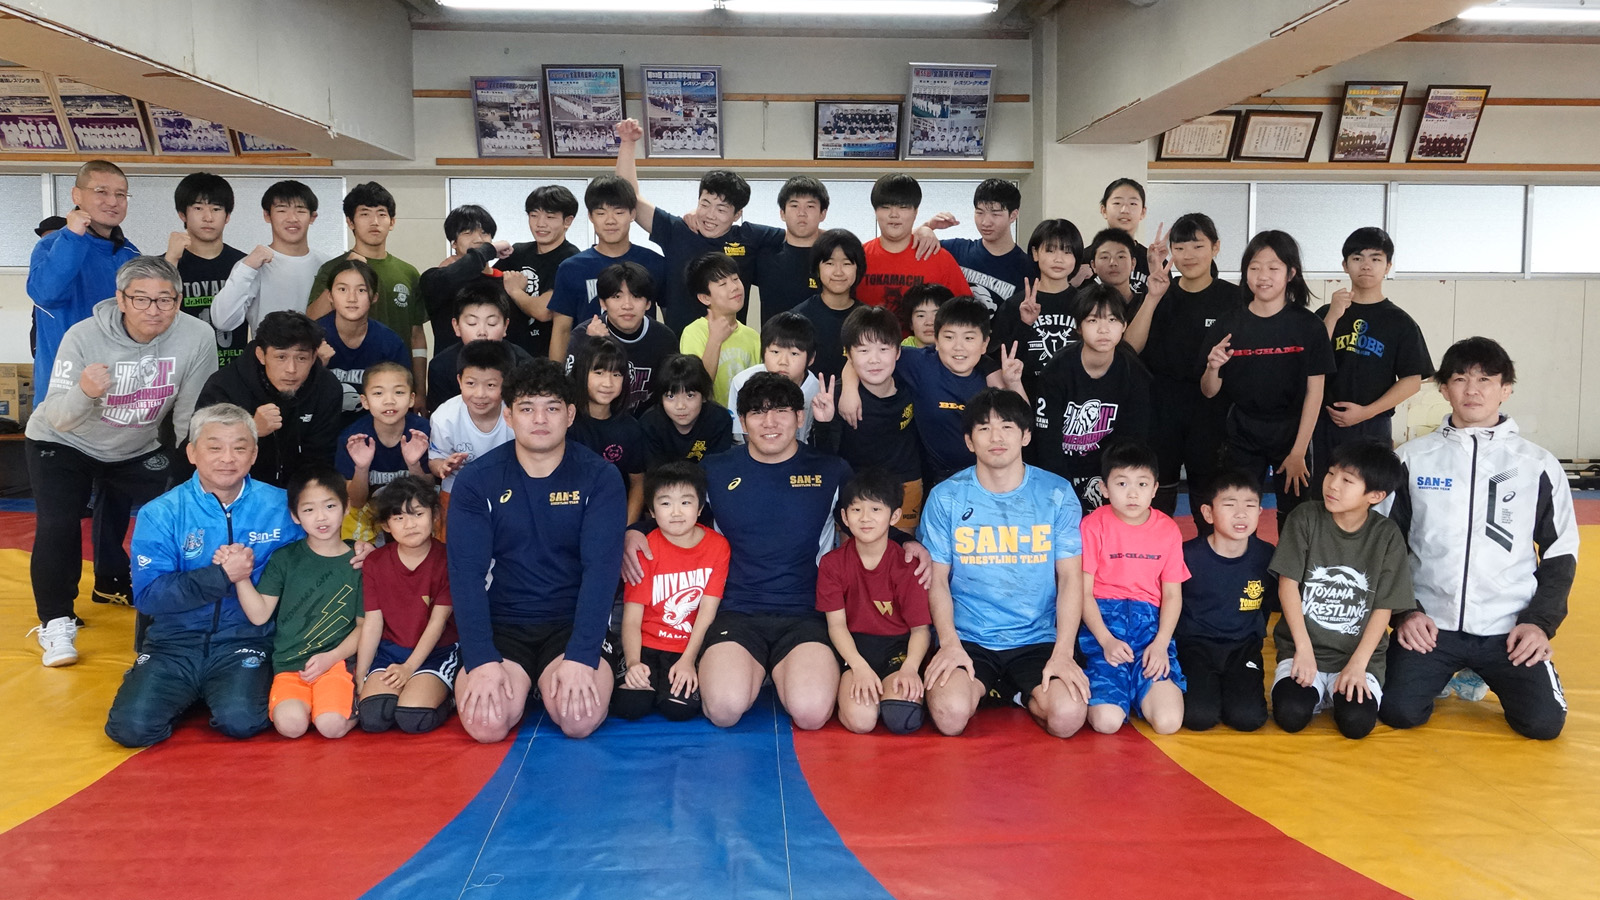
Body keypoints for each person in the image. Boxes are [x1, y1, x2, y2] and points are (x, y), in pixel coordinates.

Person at [622, 372, 879, 731]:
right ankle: (756, 671)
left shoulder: (830, 470)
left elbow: (868, 518)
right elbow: (678, 513)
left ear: (800, 417)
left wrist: (908, 542)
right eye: (757, 413)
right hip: (736, 612)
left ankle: (781, 671)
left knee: (810, 713)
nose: (769, 422)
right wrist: (635, 532)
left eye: (781, 411)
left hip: (805, 612)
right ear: (742, 422)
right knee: (724, 710)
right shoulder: (716, 470)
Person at [1378, 338, 1578, 740]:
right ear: (1443, 389)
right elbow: (1385, 544)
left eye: (1485, 379)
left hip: (1508, 628)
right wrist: (1405, 613)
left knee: (1543, 724)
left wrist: (1538, 624)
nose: (1472, 390)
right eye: (1459, 379)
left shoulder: (1537, 464)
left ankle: (1481, 670)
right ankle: (1448, 670)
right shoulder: (1413, 458)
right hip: (1430, 625)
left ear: (1506, 389)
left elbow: (1560, 553)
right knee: (1399, 712)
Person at [25, 257, 218, 663]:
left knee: (182, 511)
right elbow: (58, 415)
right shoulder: (83, 336)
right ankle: (56, 622)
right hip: (63, 442)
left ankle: (176, 607)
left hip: (135, 446)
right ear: (121, 299)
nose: (154, 310)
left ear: (179, 300)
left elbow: (189, 414)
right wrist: (85, 391)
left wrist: (195, 467)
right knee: (59, 523)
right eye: (141, 299)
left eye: (165, 300)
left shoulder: (197, 335)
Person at [448, 359, 627, 743]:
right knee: (486, 726)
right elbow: (465, 574)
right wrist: (481, 659)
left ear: (570, 415)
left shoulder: (600, 477)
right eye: (527, 408)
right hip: (503, 625)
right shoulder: (477, 481)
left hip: (571, 624)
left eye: (552, 407)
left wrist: (581, 655)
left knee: (579, 719)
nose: (540, 419)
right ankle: (526, 682)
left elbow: (601, 571)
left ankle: (556, 676)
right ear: (509, 416)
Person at [104, 403, 303, 747]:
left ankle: (213, 689)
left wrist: (355, 550)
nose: (227, 458)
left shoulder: (283, 508)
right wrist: (222, 575)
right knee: (131, 729)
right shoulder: (161, 513)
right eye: (214, 447)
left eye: (239, 448)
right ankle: (182, 687)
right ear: (192, 453)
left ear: (254, 454)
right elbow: (149, 596)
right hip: (174, 644)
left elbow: (318, 554)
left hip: (245, 640)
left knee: (241, 721)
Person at [918, 389, 1090, 738]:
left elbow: (1071, 578)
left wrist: (1063, 652)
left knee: (1068, 718)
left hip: (1037, 637)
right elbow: (936, 579)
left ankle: (1013, 693)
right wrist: (948, 642)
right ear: (969, 441)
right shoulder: (946, 497)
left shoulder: (1056, 493)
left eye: (1007, 427)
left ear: (1025, 435)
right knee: (950, 716)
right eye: (984, 429)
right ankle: (987, 688)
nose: (996, 437)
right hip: (969, 637)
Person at [1270, 440, 1413, 739]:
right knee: (1291, 714)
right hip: (1304, 648)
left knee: (1356, 723)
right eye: (1331, 473)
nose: (1332, 485)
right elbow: (1287, 585)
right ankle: (1319, 693)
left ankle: (1332, 692)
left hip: (1357, 655)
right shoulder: (1305, 517)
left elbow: (1383, 607)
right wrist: (1303, 651)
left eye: (1347, 481)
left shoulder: (1386, 535)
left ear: (1375, 495)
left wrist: (1358, 665)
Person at [1201, 231, 1335, 529]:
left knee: (1295, 517)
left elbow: (1315, 392)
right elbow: (1209, 392)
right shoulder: (1228, 324)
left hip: (1292, 434)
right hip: (1242, 434)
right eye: (1254, 267)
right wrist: (1212, 367)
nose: (1263, 276)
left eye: (1273, 268)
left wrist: (1298, 451)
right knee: (1237, 511)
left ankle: (1289, 563)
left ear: (1291, 273)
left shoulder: (1309, 326)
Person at [614, 117, 785, 333]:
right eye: (705, 204)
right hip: (681, 345)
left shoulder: (750, 236)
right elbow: (630, 198)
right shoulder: (678, 231)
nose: (710, 215)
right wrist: (628, 143)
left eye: (721, 209)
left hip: (732, 344)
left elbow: (801, 235)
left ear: (737, 215)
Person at [840, 295, 1025, 489]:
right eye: (949, 337)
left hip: (991, 475)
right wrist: (849, 389)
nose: (958, 347)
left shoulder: (990, 377)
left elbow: (1023, 422)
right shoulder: (919, 364)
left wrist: (1013, 383)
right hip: (939, 479)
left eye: (969, 338)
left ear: (984, 344)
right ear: (936, 340)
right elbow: (868, 356)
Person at [1125, 213, 1238, 529]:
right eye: (1180, 247)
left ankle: (1209, 554)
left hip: (1212, 409)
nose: (1188, 255)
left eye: (1197, 246)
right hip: (1161, 408)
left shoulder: (1234, 299)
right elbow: (1129, 348)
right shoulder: (1158, 290)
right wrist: (1153, 297)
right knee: (1159, 496)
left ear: (1215, 248)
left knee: (1208, 495)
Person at [233, 466, 362, 739]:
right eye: (309, 509)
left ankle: (344, 706)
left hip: (337, 663)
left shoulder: (360, 562)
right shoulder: (285, 558)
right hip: (290, 666)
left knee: (331, 726)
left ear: (346, 507)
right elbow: (259, 615)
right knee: (291, 726)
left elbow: (365, 626)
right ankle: (320, 706)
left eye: (330, 506)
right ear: (294, 515)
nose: (321, 517)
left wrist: (331, 657)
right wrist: (240, 577)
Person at [1075, 442, 1188, 735]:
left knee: (1168, 722)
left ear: (1155, 489)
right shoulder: (1092, 526)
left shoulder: (1168, 529)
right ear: (1104, 488)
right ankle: (1120, 690)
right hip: (1104, 625)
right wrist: (1106, 640)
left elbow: (1172, 595)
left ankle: (1139, 690)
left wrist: (1161, 643)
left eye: (1142, 484)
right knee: (1106, 722)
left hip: (1149, 630)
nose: (1133, 493)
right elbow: (1082, 592)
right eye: (1122, 483)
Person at [817, 468, 932, 735]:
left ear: (894, 516)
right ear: (844, 517)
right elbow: (836, 626)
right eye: (856, 510)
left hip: (897, 650)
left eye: (876, 510)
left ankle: (887, 694)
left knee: (901, 717)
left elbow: (920, 630)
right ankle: (851, 691)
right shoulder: (832, 564)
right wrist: (858, 667)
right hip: (854, 649)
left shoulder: (907, 565)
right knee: (861, 721)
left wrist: (910, 668)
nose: (865, 518)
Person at [612, 462, 730, 721]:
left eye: (686, 502)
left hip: (686, 646)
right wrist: (633, 662)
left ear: (700, 508)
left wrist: (689, 660)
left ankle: (669, 681)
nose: (676, 512)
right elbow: (632, 618)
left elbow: (707, 612)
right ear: (652, 511)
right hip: (644, 644)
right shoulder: (645, 548)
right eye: (665, 503)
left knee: (679, 708)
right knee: (631, 705)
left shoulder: (718, 546)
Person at [1028, 284, 1152, 513]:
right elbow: (1047, 444)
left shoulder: (1134, 373)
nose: (1104, 329)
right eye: (1093, 320)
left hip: (1107, 476)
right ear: (1078, 327)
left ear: (1124, 325)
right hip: (1060, 472)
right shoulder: (1056, 371)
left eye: (1112, 320)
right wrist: (1064, 493)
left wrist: (1111, 485)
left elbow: (1132, 443)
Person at [1315, 227, 1433, 464]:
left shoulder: (1400, 322)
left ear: (1388, 266)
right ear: (1345, 265)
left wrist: (1366, 412)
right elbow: (1310, 362)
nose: (1366, 266)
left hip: (1373, 424)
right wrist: (1332, 317)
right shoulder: (1326, 313)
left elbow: (1412, 381)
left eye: (1375, 259)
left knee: (1371, 485)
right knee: (1324, 485)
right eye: (1357, 258)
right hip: (1324, 422)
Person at [28, 160, 140, 407]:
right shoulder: (51, 245)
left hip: (118, 394)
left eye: (120, 195)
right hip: (62, 395)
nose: (113, 201)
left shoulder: (130, 254)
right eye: (101, 192)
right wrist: (73, 236)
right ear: (76, 195)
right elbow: (45, 294)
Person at [307, 182, 427, 410]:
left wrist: (420, 390)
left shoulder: (408, 272)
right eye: (364, 214)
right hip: (344, 379)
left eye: (381, 214)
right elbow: (311, 320)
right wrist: (345, 269)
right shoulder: (332, 269)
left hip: (393, 384)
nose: (374, 221)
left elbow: (417, 335)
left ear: (392, 222)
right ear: (350, 222)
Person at [355, 475, 459, 734]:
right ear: (386, 525)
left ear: (435, 515)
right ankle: (408, 687)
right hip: (391, 652)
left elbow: (437, 623)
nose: (410, 524)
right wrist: (361, 675)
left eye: (418, 514)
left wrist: (409, 668)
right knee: (374, 717)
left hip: (438, 652)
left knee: (413, 717)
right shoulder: (375, 562)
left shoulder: (448, 559)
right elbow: (373, 623)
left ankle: (449, 696)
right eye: (399, 517)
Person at [197, 310, 343, 488]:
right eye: (281, 357)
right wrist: (250, 430)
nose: (291, 369)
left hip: (298, 493)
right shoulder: (225, 386)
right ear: (261, 355)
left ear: (314, 357)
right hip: (233, 489)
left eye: (301, 358)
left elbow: (321, 462)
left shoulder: (327, 388)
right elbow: (202, 452)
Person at [809, 306, 924, 530]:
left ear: (898, 352)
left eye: (883, 349)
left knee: (901, 549)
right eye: (863, 350)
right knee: (853, 552)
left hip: (905, 483)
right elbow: (824, 456)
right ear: (849, 355)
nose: (874, 359)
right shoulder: (836, 396)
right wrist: (824, 423)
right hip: (854, 487)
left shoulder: (911, 382)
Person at [547, 176, 668, 363]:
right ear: (590, 216)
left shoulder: (655, 263)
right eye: (601, 213)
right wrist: (556, 376)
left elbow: (669, 321)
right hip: (588, 368)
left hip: (644, 369)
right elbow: (562, 330)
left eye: (619, 212)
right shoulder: (571, 268)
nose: (610, 221)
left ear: (633, 214)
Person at [211, 181, 325, 341]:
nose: (292, 218)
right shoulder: (251, 265)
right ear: (267, 215)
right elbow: (223, 321)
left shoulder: (327, 264)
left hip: (321, 354)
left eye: (300, 210)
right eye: (282, 210)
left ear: (312, 217)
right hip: (268, 356)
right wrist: (247, 268)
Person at [855, 174, 971, 324]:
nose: (894, 215)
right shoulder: (857, 258)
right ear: (875, 211)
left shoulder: (940, 259)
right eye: (885, 207)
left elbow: (966, 315)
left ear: (915, 212)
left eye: (903, 207)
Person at [563, 261, 678, 412]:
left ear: (648, 303)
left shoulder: (664, 339)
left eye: (636, 296)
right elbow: (569, 392)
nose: (627, 305)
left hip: (647, 422)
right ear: (603, 303)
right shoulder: (583, 336)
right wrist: (592, 346)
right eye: (617, 296)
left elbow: (673, 391)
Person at [335, 361, 430, 542]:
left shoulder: (422, 432)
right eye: (378, 393)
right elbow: (356, 502)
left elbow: (428, 492)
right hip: (369, 510)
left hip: (414, 508)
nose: (389, 400)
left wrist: (414, 464)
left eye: (399, 392)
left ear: (411, 399)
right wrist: (361, 468)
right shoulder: (353, 438)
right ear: (365, 401)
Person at [163, 172, 248, 370]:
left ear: (227, 216)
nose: (208, 217)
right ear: (182, 214)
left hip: (233, 372)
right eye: (198, 208)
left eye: (216, 209)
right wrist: (171, 260)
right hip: (182, 370)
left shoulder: (244, 265)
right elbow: (155, 310)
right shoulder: (164, 264)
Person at [428, 339, 515, 533]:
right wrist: (443, 466)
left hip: (507, 490)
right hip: (457, 490)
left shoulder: (516, 413)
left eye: (491, 385)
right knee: (452, 539)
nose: (480, 394)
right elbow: (434, 460)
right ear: (459, 381)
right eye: (470, 383)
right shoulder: (445, 417)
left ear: (506, 384)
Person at [992, 219, 1090, 377]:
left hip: (1075, 391)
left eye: (1067, 252)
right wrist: (1024, 325)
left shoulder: (1087, 304)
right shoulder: (1015, 305)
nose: (1059, 259)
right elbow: (998, 360)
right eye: (1050, 250)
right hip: (1023, 390)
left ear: (1076, 257)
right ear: (1035, 253)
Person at [316, 258, 409, 425]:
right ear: (330, 295)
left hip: (372, 429)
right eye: (342, 289)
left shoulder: (390, 343)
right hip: (321, 429)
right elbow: (293, 396)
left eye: (361, 290)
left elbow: (401, 397)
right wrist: (316, 365)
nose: (351, 298)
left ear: (374, 297)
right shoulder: (312, 338)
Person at [919, 178, 1032, 314]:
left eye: (995, 214)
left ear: (1013, 216)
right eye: (979, 213)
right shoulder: (956, 250)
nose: (985, 222)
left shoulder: (1027, 267)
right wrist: (927, 227)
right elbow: (901, 244)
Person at [495, 185, 582, 360]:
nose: (540, 224)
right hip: (510, 355)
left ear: (568, 221)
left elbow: (544, 311)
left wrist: (515, 291)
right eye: (534, 215)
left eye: (550, 217)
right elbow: (487, 283)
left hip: (546, 357)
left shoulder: (572, 259)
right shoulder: (518, 252)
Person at [418, 204, 520, 353]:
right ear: (453, 243)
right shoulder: (435, 279)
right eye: (467, 233)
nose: (478, 239)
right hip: (452, 365)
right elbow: (457, 272)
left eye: (484, 233)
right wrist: (490, 250)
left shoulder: (507, 282)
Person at [426, 283, 537, 415]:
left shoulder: (525, 365)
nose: (482, 332)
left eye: (492, 323)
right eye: (472, 323)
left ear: (505, 326)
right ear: (456, 326)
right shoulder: (440, 367)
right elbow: (440, 416)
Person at [571, 338, 647, 522]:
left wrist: (626, 528)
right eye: (599, 372)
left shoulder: (630, 428)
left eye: (616, 374)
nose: (608, 383)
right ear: (581, 372)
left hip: (612, 517)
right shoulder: (564, 422)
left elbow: (638, 483)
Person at [680, 253, 761, 407]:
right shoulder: (694, 332)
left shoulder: (753, 336)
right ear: (705, 298)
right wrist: (715, 340)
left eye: (735, 279)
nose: (734, 287)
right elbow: (696, 388)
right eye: (723, 284)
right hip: (710, 418)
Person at [727, 312, 821, 443]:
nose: (783, 362)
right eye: (775, 352)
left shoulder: (816, 389)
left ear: (811, 358)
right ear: (763, 352)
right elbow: (742, 437)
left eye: (794, 354)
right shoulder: (742, 382)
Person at [791, 228, 864, 383]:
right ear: (817, 268)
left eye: (847, 263)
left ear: (858, 268)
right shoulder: (798, 319)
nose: (838, 272)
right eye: (830, 263)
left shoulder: (868, 320)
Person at [752, 177, 831, 319]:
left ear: (822, 214)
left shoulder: (833, 259)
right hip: (774, 334)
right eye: (794, 206)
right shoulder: (764, 255)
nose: (802, 213)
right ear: (782, 213)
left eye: (810, 206)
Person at [638, 353, 734, 468]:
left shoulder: (719, 419)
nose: (680, 406)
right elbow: (654, 473)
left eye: (690, 395)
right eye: (670, 396)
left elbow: (719, 469)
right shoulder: (650, 424)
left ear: (704, 396)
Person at [1098, 178, 1150, 296]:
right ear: (1104, 210)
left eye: (1133, 204)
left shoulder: (1154, 261)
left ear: (1143, 212)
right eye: (1117, 203)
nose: (1125, 210)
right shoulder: (1084, 259)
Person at [899, 284, 948, 350]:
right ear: (910, 323)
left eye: (936, 315)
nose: (929, 322)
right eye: (921, 316)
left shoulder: (958, 351)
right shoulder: (900, 352)